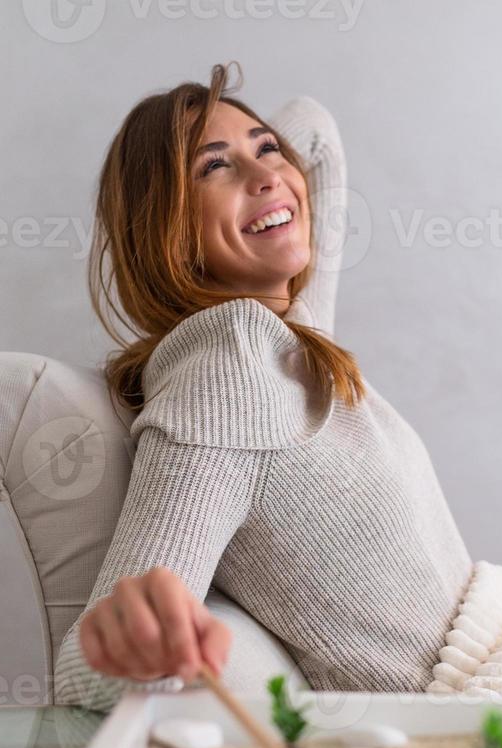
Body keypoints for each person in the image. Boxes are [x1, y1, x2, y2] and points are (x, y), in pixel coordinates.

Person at [54, 63, 471, 710]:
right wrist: (129, 640)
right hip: (495, 696)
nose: (268, 176)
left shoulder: (290, 336)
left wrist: (224, 127)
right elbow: (87, 675)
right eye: (214, 168)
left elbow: (317, 133)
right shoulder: (231, 366)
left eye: (268, 148)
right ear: (167, 228)